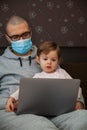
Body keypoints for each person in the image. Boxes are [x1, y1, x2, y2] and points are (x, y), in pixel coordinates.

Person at [0, 15, 87, 130]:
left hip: (55, 110)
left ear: (31, 32)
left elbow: (65, 82)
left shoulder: (46, 55)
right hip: (15, 112)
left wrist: (79, 102)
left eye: (25, 34)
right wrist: (11, 101)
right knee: (41, 127)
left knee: (84, 119)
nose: (21, 39)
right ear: (8, 38)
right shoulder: (2, 62)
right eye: (15, 37)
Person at [6, 41, 84, 112]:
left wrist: (77, 101)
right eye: (45, 59)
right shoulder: (38, 76)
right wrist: (12, 98)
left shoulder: (62, 73)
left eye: (53, 60)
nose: (49, 62)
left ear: (58, 61)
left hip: (61, 105)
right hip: (42, 106)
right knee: (30, 99)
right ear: (38, 59)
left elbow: (75, 87)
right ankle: (18, 105)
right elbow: (24, 90)